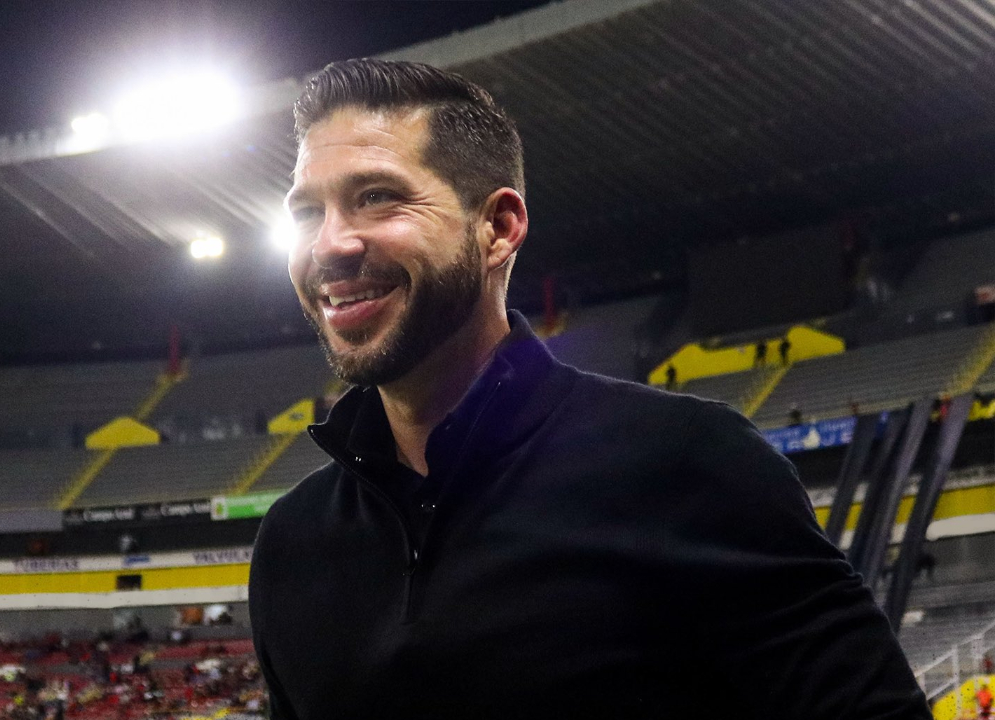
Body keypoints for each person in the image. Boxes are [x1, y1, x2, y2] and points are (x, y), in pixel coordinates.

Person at [248, 58, 928, 719]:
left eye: (378, 197)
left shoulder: (689, 462)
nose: (329, 244)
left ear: (498, 227)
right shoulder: (292, 542)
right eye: (307, 212)